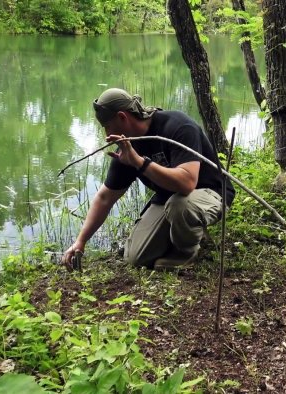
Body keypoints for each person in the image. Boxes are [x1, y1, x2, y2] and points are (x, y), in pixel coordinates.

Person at [62, 88, 235, 271]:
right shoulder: (127, 146)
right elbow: (105, 198)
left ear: (123, 117)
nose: (106, 134)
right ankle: (187, 232)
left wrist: (139, 162)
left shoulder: (178, 126)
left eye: (107, 126)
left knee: (180, 206)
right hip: (170, 199)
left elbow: (187, 183)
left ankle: (187, 253)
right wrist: (80, 241)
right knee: (136, 257)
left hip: (210, 192)